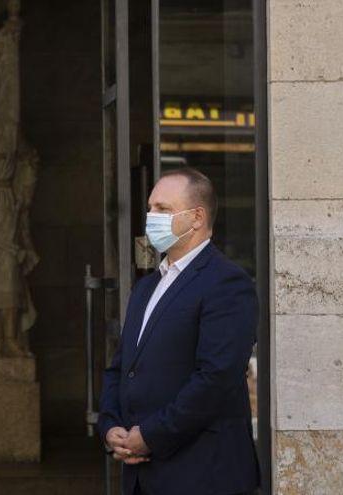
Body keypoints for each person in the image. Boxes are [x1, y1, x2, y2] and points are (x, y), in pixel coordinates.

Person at [98, 168, 260, 495]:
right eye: (150, 208)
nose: (150, 217)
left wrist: (151, 436)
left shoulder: (226, 283)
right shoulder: (146, 287)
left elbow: (216, 378)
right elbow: (121, 367)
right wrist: (110, 426)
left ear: (197, 217)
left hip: (201, 474)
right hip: (142, 476)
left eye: (163, 209)